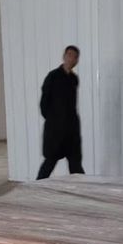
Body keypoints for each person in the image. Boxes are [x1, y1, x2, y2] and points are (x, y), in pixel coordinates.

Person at [36, 45, 85, 179]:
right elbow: (44, 103)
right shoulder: (53, 76)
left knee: (75, 164)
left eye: (75, 57)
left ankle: (81, 187)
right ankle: (37, 186)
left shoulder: (74, 79)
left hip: (71, 129)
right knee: (50, 162)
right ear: (64, 57)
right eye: (69, 55)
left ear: (77, 60)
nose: (71, 59)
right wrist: (54, 119)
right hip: (56, 129)